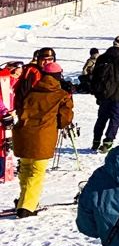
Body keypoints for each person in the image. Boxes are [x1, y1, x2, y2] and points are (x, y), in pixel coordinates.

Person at [11, 56, 73, 216]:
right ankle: (27, 207)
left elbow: (19, 108)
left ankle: (25, 199)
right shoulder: (62, 95)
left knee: (25, 168)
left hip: (23, 134)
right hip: (42, 137)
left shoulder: (31, 90)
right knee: (37, 171)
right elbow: (65, 119)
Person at [91, 34, 119, 154]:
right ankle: (108, 142)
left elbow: (95, 76)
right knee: (114, 119)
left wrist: (97, 93)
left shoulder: (103, 57)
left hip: (104, 93)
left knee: (101, 118)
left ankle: (96, 141)